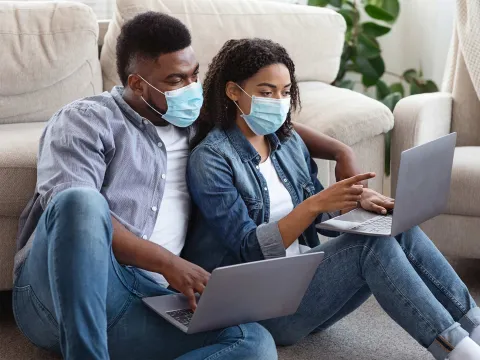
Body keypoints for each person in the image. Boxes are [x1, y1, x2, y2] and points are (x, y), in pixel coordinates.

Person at [12, 11, 365, 360]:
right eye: (176, 80)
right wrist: (169, 264)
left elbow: (263, 123)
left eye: (195, 75)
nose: (191, 89)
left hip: (144, 298)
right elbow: (71, 220)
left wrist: (338, 150)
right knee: (80, 202)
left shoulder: (194, 118)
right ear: (137, 84)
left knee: (253, 344)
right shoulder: (85, 120)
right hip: (55, 298)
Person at [183, 38, 480, 360]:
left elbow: (321, 228)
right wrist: (315, 204)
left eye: (285, 92)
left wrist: (351, 205)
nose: (278, 102)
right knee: (371, 245)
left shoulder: (288, 141)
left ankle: (474, 329)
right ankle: (458, 352)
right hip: (260, 307)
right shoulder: (211, 159)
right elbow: (248, 250)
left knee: (391, 226)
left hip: (305, 287)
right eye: (266, 92)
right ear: (232, 92)